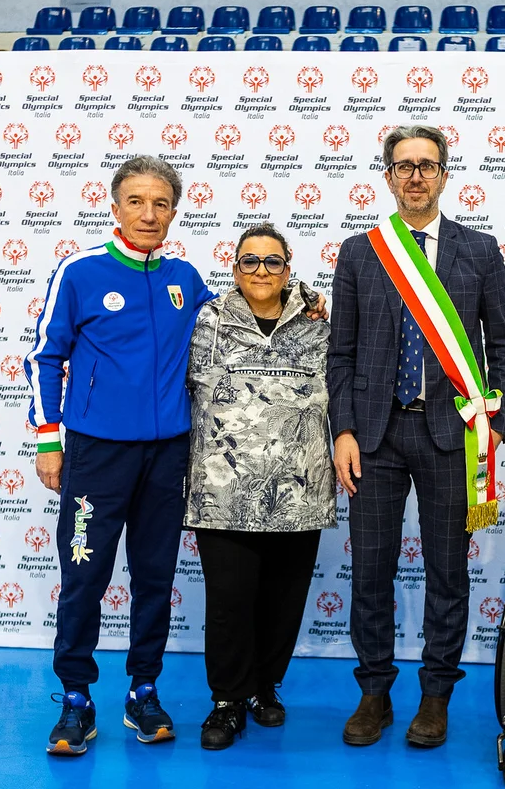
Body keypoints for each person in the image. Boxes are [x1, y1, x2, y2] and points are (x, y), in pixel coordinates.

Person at [26, 157, 324, 757]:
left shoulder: (185, 279)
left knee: (155, 580)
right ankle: (76, 699)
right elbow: (45, 356)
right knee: (85, 577)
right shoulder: (80, 272)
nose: (148, 213)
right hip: (96, 455)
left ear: (174, 212)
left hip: (169, 457)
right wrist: (48, 437)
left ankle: (144, 690)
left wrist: (305, 296)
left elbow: (248, 304)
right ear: (115, 207)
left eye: (160, 203)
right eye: (136, 201)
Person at [328, 124, 505, 748]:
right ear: (387, 176)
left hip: (452, 436)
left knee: (447, 573)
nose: (415, 175)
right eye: (403, 165)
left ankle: (435, 697)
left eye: (427, 165)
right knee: (371, 573)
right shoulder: (361, 252)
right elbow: (343, 353)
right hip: (376, 438)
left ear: (444, 174)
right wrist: (346, 430)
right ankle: (375, 693)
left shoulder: (480, 250)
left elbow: (503, 349)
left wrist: (497, 422)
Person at [185, 223, 334, 750]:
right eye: (250, 261)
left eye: (273, 262)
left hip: (300, 488)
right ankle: (227, 700)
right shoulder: (205, 320)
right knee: (229, 601)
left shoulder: (322, 322)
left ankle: (264, 688)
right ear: (234, 268)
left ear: (289, 269)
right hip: (222, 491)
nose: (262, 271)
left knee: (283, 599)